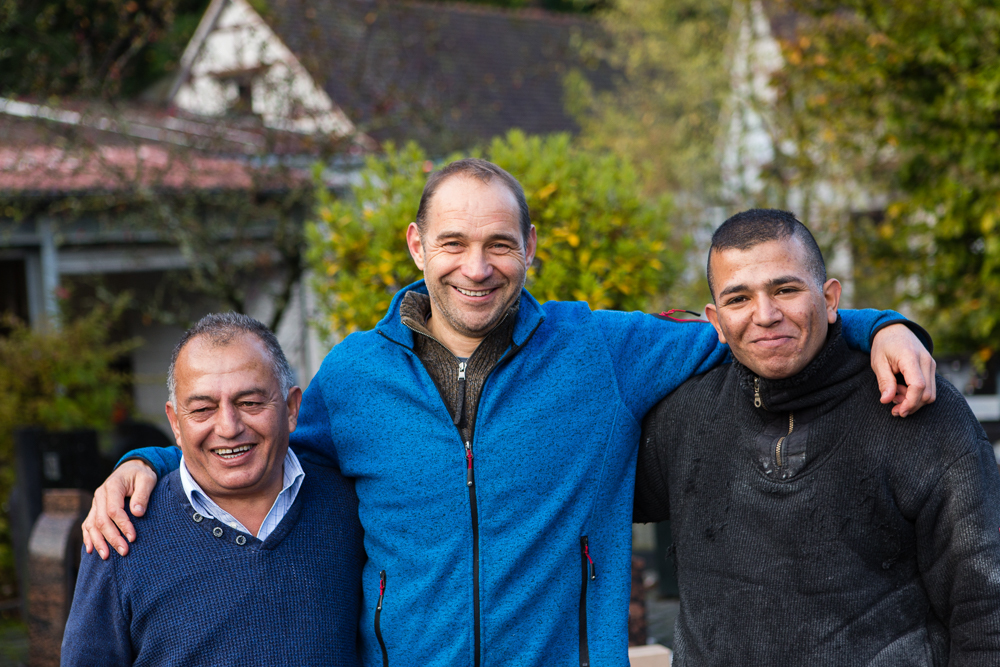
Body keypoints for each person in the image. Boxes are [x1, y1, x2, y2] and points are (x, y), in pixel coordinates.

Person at [84, 161, 937, 667]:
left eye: (500, 243)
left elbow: (751, 324)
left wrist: (877, 325)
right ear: (418, 247)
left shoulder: (600, 349)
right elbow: (256, 448)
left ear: (530, 248)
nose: (477, 266)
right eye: (453, 243)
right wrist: (153, 463)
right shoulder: (352, 376)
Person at [635, 209, 1000, 665]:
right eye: (738, 299)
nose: (765, 315)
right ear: (715, 320)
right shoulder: (684, 416)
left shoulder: (916, 405)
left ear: (830, 299)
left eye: (785, 289)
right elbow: (578, 503)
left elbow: (985, 607)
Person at [62, 313, 364, 666]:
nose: (228, 426)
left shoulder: (350, 506)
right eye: (203, 409)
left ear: (292, 408)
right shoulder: (120, 534)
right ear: (175, 423)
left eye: (250, 403)